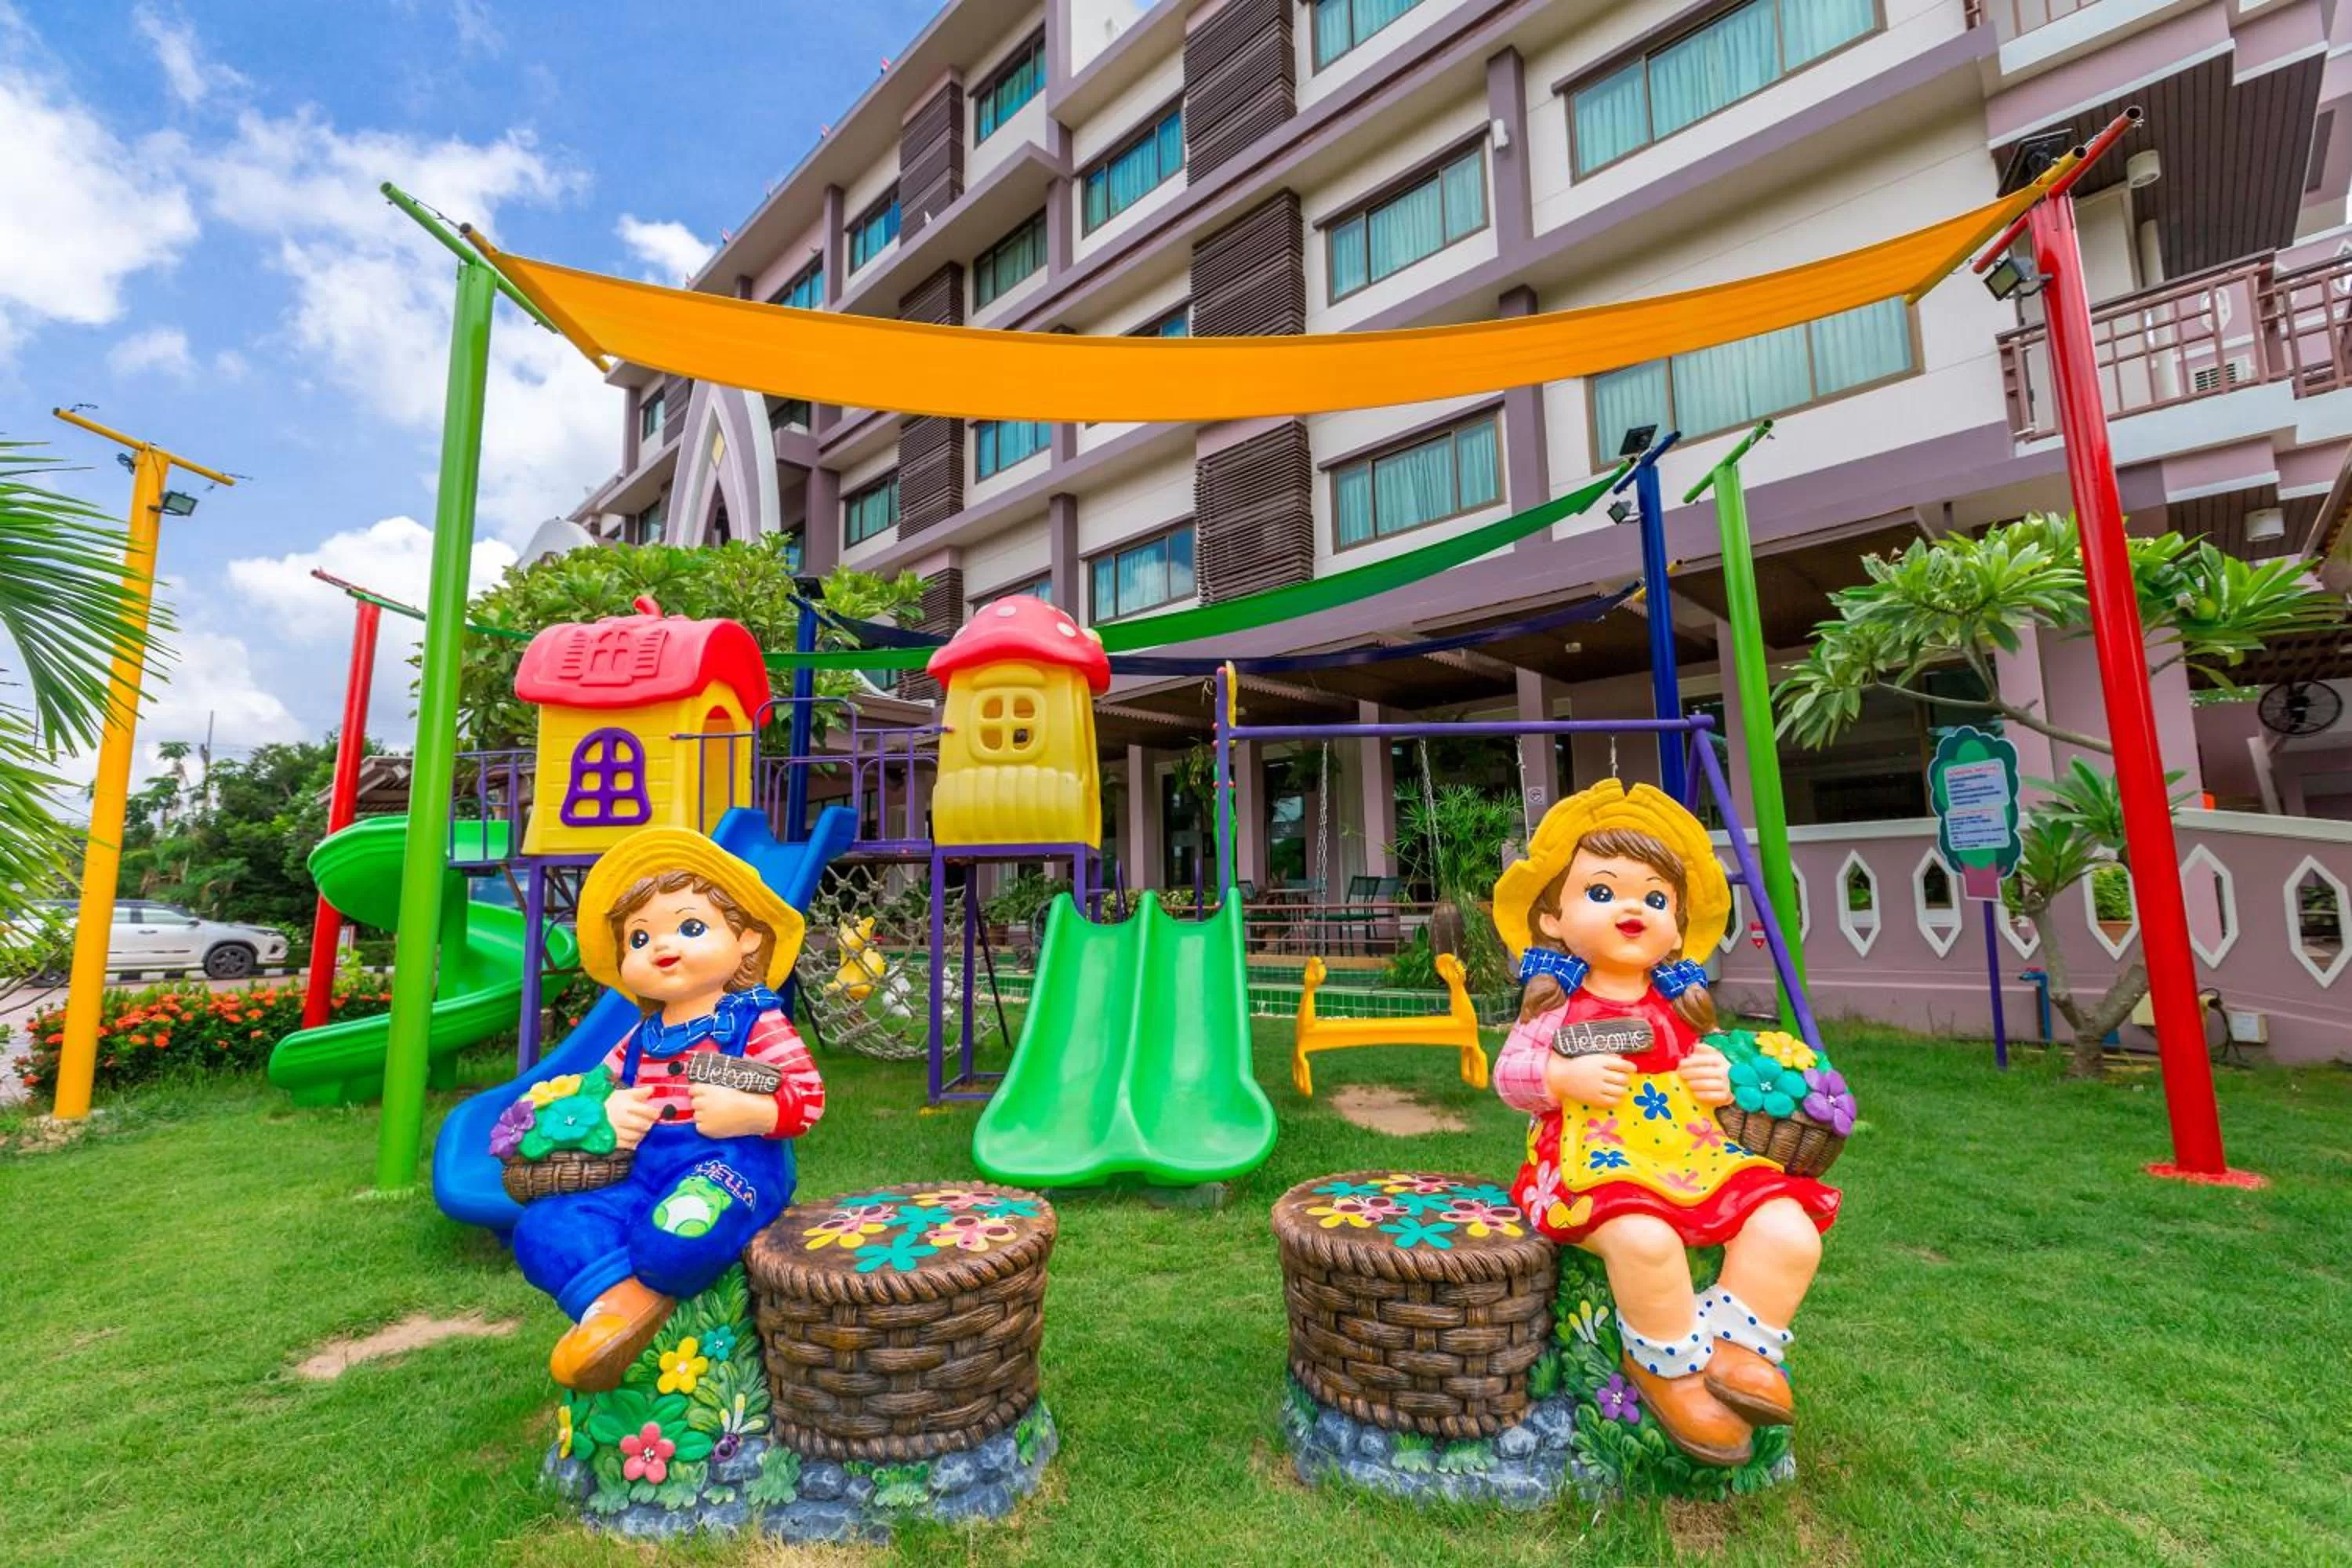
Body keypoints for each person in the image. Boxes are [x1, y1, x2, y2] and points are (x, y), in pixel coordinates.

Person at [1490, 780, 1837, 1466]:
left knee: (1788, 1229)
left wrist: (1715, 1081)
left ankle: (1737, 1350)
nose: (1631, 910)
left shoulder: (1680, 1005)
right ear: (1554, 918)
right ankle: (1668, 1368)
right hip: (1590, 1162)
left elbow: (1704, 1066)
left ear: (1677, 927)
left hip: (1694, 1157)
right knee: (1645, 1241)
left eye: (1654, 899)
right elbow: (1510, 1076)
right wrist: (1560, 1079)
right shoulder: (1556, 1004)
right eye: (1602, 892)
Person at [507, 828, 823, 1392]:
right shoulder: (640, 1037)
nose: (661, 945)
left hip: (733, 1169)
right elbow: (591, 1088)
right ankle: (616, 1309)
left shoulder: (755, 1022)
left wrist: (752, 1113)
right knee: (541, 1226)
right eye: (638, 938)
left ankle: (635, 1296)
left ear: (747, 939)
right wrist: (610, 1108)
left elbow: (808, 1096)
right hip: (644, 1175)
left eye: (691, 926)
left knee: (677, 1236)